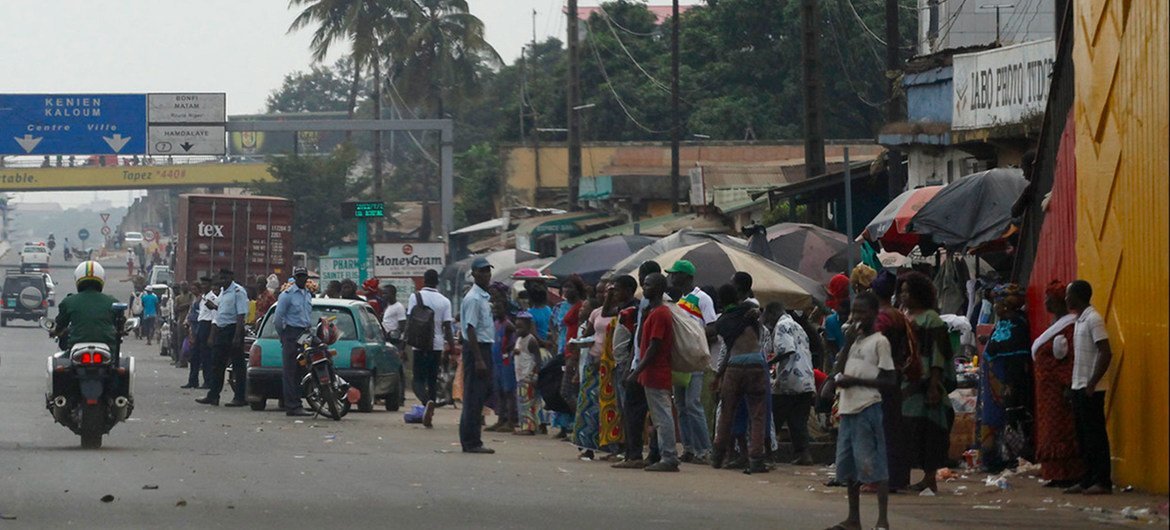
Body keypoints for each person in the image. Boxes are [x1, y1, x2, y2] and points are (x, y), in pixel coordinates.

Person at [824, 292, 894, 530]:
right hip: (848, 408)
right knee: (850, 467)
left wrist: (856, 382)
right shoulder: (853, 342)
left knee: (874, 464)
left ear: (874, 314)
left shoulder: (880, 342)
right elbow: (839, 369)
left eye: (862, 312)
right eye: (854, 312)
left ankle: (882, 519)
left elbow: (889, 380)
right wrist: (846, 344)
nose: (856, 317)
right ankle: (853, 518)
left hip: (868, 407)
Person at [898, 271, 956, 494]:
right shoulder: (903, 315)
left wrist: (934, 383)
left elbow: (938, 354)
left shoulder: (931, 319)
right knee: (907, 429)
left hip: (924, 384)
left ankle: (929, 478)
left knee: (929, 431)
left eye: (907, 291)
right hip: (906, 379)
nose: (904, 296)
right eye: (901, 291)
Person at [710, 283, 769, 474]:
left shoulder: (722, 322)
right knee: (757, 414)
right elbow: (757, 310)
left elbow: (727, 351)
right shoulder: (748, 310)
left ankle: (718, 456)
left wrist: (719, 375)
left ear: (720, 301)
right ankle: (756, 459)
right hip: (756, 365)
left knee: (727, 412)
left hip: (734, 367)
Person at [1030, 280, 1083, 487]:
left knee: (1062, 429)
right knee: (1049, 428)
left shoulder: (1070, 326)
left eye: (1049, 299)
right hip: (1046, 389)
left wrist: (1066, 383)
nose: (1045, 302)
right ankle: (1054, 472)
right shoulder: (1055, 325)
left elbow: (1069, 358)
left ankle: (1068, 473)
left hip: (1059, 387)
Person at [1064, 280, 1114, 495]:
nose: (1066, 299)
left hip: (1090, 387)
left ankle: (1103, 481)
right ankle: (1087, 478)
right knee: (1083, 436)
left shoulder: (1093, 319)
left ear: (1078, 296)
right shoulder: (1079, 320)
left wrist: (1092, 382)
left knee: (1095, 436)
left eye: (1068, 295)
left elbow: (1105, 351)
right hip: (1079, 385)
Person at [870, 269, 917, 493]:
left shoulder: (881, 317)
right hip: (896, 376)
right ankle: (898, 477)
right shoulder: (899, 315)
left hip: (879, 378)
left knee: (879, 428)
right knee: (894, 429)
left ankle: (881, 479)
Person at [627, 272, 679, 472]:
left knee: (662, 416)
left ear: (658, 288)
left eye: (648, 285)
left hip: (656, 372)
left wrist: (636, 371)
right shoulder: (654, 311)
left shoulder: (660, 314)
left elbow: (654, 346)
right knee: (658, 417)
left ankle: (669, 457)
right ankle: (664, 455)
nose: (644, 288)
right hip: (652, 372)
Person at [980, 283, 1034, 473]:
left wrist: (1010, 384)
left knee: (1005, 419)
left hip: (1006, 380)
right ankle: (993, 458)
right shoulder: (1005, 323)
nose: (994, 307)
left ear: (1004, 305)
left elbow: (1015, 357)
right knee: (994, 418)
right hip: (995, 381)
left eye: (997, 303)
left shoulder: (1016, 325)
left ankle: (1003, 459)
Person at [666, 259, 715, 464]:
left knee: (693, 404)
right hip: (679, 359)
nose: (671, 278)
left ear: (686, 277)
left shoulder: (702, 298)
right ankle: (688, 448)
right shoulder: (678, 301)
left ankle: (704, 449)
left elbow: (712, 327)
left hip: (694, 357)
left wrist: (692, 338)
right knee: (681, 405)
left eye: (675, 274)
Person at [613, 262, 659, 470]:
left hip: (648, 365)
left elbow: (651, 341)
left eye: (646, 279)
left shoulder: (656, 306)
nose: (643, 283)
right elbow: (638, 338)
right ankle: (637, 454)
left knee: (645, 412)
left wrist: (636, 367)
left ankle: (641, 455)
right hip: (637, 362)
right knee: (635, 411)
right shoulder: (643, 305)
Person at [770, 299, 816, 466]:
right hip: (806, 378)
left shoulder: (781, 325)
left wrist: (768, 363)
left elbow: (786, 349)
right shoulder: (798, 326)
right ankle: (804, 454)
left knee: (773, 417)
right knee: (798, 420)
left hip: (790, 380)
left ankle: (767, 453)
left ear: (773, 314)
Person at [459, 257, 496, 454]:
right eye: (482, 271)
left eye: (488, 271)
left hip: (485, 347)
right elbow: (470, 329)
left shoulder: (484, 296)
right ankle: (471, 441)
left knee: (480, 394)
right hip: (476, 349)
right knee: (473, 396)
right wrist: (479, 359)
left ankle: (474, 439)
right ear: (474, 274)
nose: (486, 275)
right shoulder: (473, 298)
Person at [408, 269, 454, 424]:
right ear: (437, 282)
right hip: (437, 345)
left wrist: (403, 345)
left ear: (424, 280)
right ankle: (431, 406)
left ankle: (426, 402)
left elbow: (410, 322)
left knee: (417, 380)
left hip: (419, 344)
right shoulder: (445, 301)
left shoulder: (415, 297)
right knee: (432, 379)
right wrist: (452, 348)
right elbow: (448, 327)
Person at [197, 269, 249, 407]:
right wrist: (213, 306)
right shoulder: (222, 292)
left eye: (226, 278)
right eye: (221, 278)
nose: (223, 280)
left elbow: (240, 315)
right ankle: (213, 396)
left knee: (238, 365)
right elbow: (221, 310)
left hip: (233, 330)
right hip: (221, 330)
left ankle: (240, 397)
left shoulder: (238, 292)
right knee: (217, 364)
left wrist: (237, 337)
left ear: (231, 277)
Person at [598, 276, 637, 453]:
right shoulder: (622, 308)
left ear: (629, 290)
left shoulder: (634, 309)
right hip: (617, 362)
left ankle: (630, 451)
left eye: (618, 290)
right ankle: (626, 449)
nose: (615, 293)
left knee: (628, 408)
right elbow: (605, 313)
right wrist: (609, 295)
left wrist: (628, 366)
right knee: (621, 407)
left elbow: (635, 339)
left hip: (626, 363)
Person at [271, 267, 315, 417]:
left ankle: (298, 402)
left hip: (305, 334)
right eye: (299, 276)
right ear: (295, 278)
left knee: (301, 370)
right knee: (290, 371)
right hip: (291, 333)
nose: (301, 279)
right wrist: (283, 335)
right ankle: (292, 406)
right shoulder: (287, 295)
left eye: (304, 276)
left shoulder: (307, 294)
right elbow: (277, 319)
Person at [53, 262, 118, 348]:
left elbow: (60, 324)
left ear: (77, 279)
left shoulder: (68, 301)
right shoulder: (113, 302)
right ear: (102, 279)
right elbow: (120, 325)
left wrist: (56, 331)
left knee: (59, 359)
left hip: (76, 346)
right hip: (108, 348)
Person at [486, 293, 518, 433]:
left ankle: (510, 421)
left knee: (508, 392)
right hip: (496, 361)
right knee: (499, 391)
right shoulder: (495, 323)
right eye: (494, 309)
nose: (495, 311)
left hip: (506, 361)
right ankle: (501, 419)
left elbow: (514, 343)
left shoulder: (508, 325)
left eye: (498, 309)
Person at [512, 312, 541, 436]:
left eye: (521, 327)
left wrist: (535, 375)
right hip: (520, 375)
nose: (518, 330)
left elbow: (537, 359)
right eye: (516, 327)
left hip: (528, 375)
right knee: (522, 402)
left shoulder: (531, 340)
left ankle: (528, 427)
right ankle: (528, 425)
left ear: (529, 326)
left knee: (527, 403)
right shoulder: (519, 339)